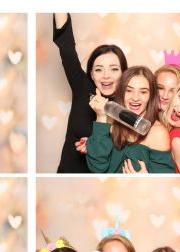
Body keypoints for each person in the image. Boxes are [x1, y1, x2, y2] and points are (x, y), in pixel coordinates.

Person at [52, 13, 128, 173]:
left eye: (114, 69)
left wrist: (93, 146)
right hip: (68, 177)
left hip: (106, 183)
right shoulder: (82, 88)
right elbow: (66, 46)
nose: (106, 75)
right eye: (99, 70)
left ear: (123, 73)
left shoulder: (130, 102)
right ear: (91, 74)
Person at [86, 66, 175, 174]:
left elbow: (165, 181)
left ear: (151, 96)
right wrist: (101, 117)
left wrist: (147, 179)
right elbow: (97, 168)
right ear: (121, 92)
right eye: (129, 90)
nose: (135, 98)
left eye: (143, 92)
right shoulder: (108, 120)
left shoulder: (157, 133)